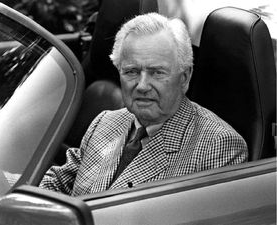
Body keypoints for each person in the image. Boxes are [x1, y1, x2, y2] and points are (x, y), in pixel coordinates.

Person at [40, 13, 248, 195]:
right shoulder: (105, 122)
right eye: (131, 71)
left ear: (184, 78)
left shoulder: (219, 146)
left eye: (157, 73)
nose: (142, 86)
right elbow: (59, 183)